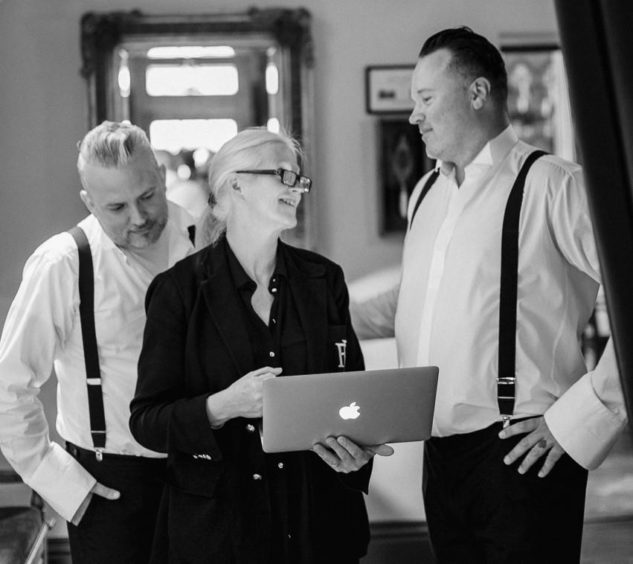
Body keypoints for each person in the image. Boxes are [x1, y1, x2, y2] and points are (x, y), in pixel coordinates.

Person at [351, 27, 628, 563]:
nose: (415, 116)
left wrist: (581, 418)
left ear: (477, 93)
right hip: (440, 462)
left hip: (524, 455)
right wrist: (324, 314)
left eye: (426, 99)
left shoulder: (553, 184)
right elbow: (418, 302)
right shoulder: (426, 194)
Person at [129, 128, 392, 564]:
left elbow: (352, 396)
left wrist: (357, 455)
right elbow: (147, 421)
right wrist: (223, 405)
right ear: (236, 183)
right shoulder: (177, 292)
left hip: (317, 526)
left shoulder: (324, 280)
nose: (298, 188)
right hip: (220, 533)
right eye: (284, 176)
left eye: (299, 180)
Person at [0, 121, 196, 563]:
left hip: (205, 472)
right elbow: (7, 387)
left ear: (161, 177)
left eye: (146, 196)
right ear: (89, 202)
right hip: (110, 485)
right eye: (117, 207)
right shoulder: (64, 263)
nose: (139, 218)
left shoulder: (206, 240)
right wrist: (63, 486)